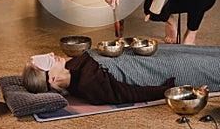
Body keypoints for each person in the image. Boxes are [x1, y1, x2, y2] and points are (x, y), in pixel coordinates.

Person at [22, 45, 220, 105]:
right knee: (212, 65)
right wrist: (183, 92)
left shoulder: (72, 63)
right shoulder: (89, 88)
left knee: (208, 51)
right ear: (53, 79)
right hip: (162, 69)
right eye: (47, 62)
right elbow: (132, 94)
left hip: (149, 53)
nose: (51, 54)